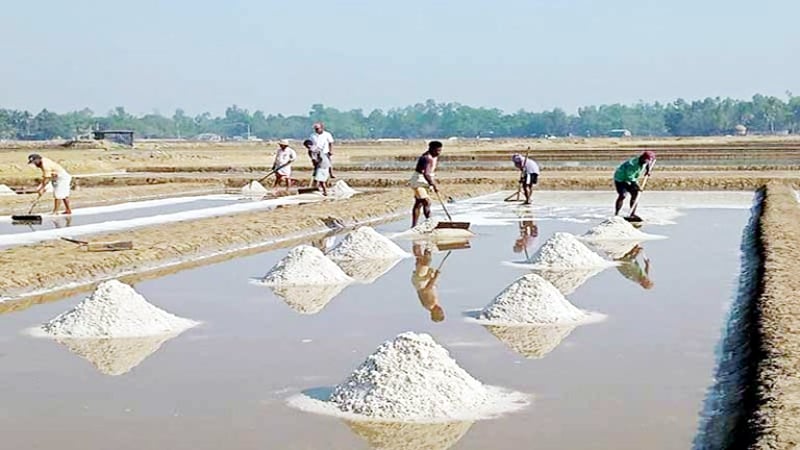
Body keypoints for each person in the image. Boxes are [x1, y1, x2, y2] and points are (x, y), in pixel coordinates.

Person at [408, 141, 443, 228]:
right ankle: (430, 223)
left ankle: (414, 226)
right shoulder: (427, 158)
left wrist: (431, 182)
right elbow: (426, 173)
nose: (439, 153)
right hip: (418, 182)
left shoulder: (433, 157)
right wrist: (433, 184)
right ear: (431, 149)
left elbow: (429, 173)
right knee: (426, 202)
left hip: (425, 181)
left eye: (440, 151)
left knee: (419, 203)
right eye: (437, 151)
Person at [613, 151, 655, 217]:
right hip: (621, 179)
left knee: (635, 194)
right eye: (647, 160)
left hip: (631, 179)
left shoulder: (645, 161)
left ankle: (632, 214)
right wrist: (638, 187)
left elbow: (648, 164)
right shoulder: (632, 164)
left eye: (649, 160)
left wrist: (648, 170)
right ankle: (616, 213)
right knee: (623, 195)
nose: (648, 161)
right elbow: (630, 177)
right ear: (643, 158)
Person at [411, 242, 445, 322]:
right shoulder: (432, 305)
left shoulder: (430, 304)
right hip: (421, 281)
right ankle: (420, 243)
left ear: (435, 313)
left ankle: (423, 244)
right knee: (420, 260)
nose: (442, 310)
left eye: (440, 312)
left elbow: (427, 290)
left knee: (427, 261)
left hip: (421, 280)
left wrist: (435, 277)